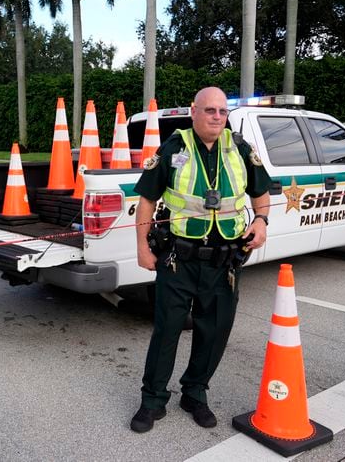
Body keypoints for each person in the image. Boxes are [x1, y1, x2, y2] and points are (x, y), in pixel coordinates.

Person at [130, 87, 272, 433]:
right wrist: (142, 248)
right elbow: (147, 202)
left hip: (224, 263)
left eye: (222, 112)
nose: (216, 117)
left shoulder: (240, 149)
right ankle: (152, 401)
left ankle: (195, 393)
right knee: (167, 331)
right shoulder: (174, 148)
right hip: (179, 258)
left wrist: (261, 221)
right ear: (193, 112)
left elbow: (262, 194)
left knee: (214, 331)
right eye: (209, 110)